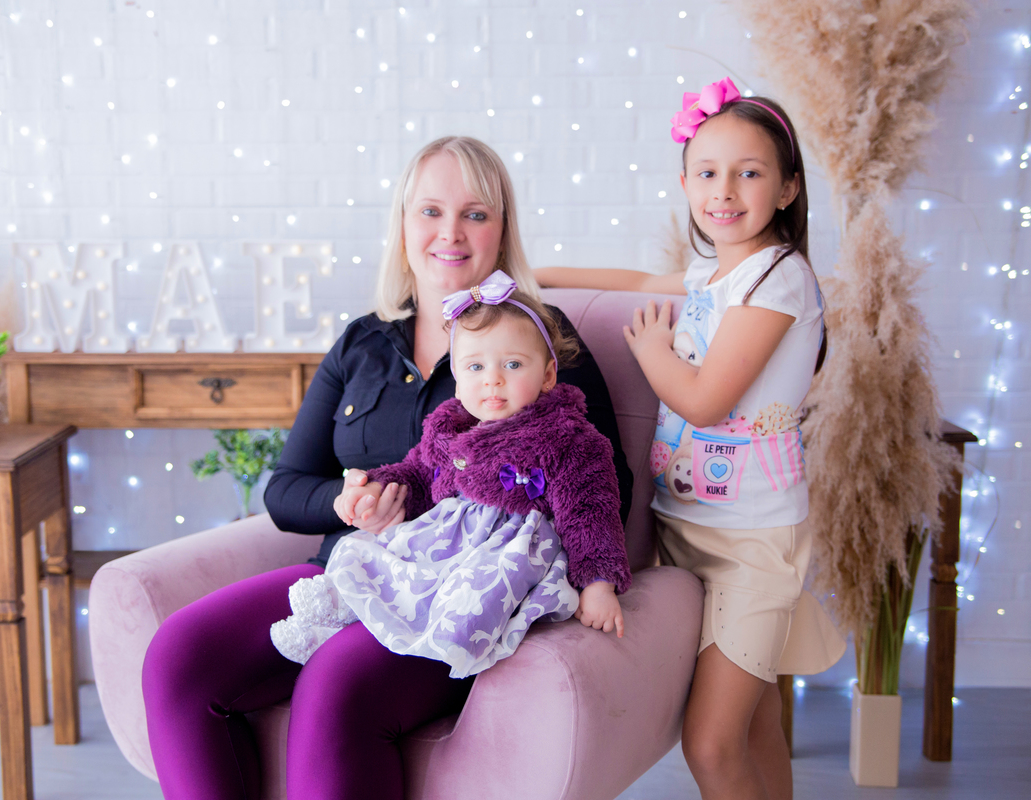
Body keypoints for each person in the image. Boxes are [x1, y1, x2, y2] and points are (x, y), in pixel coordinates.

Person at [141, 135, 635, 800]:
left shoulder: (537, 340)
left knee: (337, 683)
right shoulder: (363, 342)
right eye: (430, 211)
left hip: (463, 593)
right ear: (403, 226)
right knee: (178, 658)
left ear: (502, 230)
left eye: (475, 214)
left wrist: (520, 520)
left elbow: (606, 488)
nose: (450, 233)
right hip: (355, 572)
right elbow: (284, 491)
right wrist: (352, 502)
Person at [537, 77, 844, 800]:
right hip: (686, 528)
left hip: (750, 543)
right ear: (684, 184)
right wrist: (533, 272)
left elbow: (706, 402)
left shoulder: (779, 279)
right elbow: (643, 278)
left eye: (749, 173)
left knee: (710, 744)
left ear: (788, 188)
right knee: (755, 724)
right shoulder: (717, 271)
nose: (723, 191)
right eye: (706, 173)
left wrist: (653, 352)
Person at [269, 272, 631, 678]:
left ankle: (424, 650)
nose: (492, 378)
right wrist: (377, 486)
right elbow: (419, 474)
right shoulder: (450, 427)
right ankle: (328, 621)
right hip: (442, 546)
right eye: (475, 366)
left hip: (505, 556)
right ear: (457, 381)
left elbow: (591, 512)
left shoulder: (568, 438)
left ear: (548, 376)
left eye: (513, 364)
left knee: (466, 602)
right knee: (383, 566)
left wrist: (599, 583)